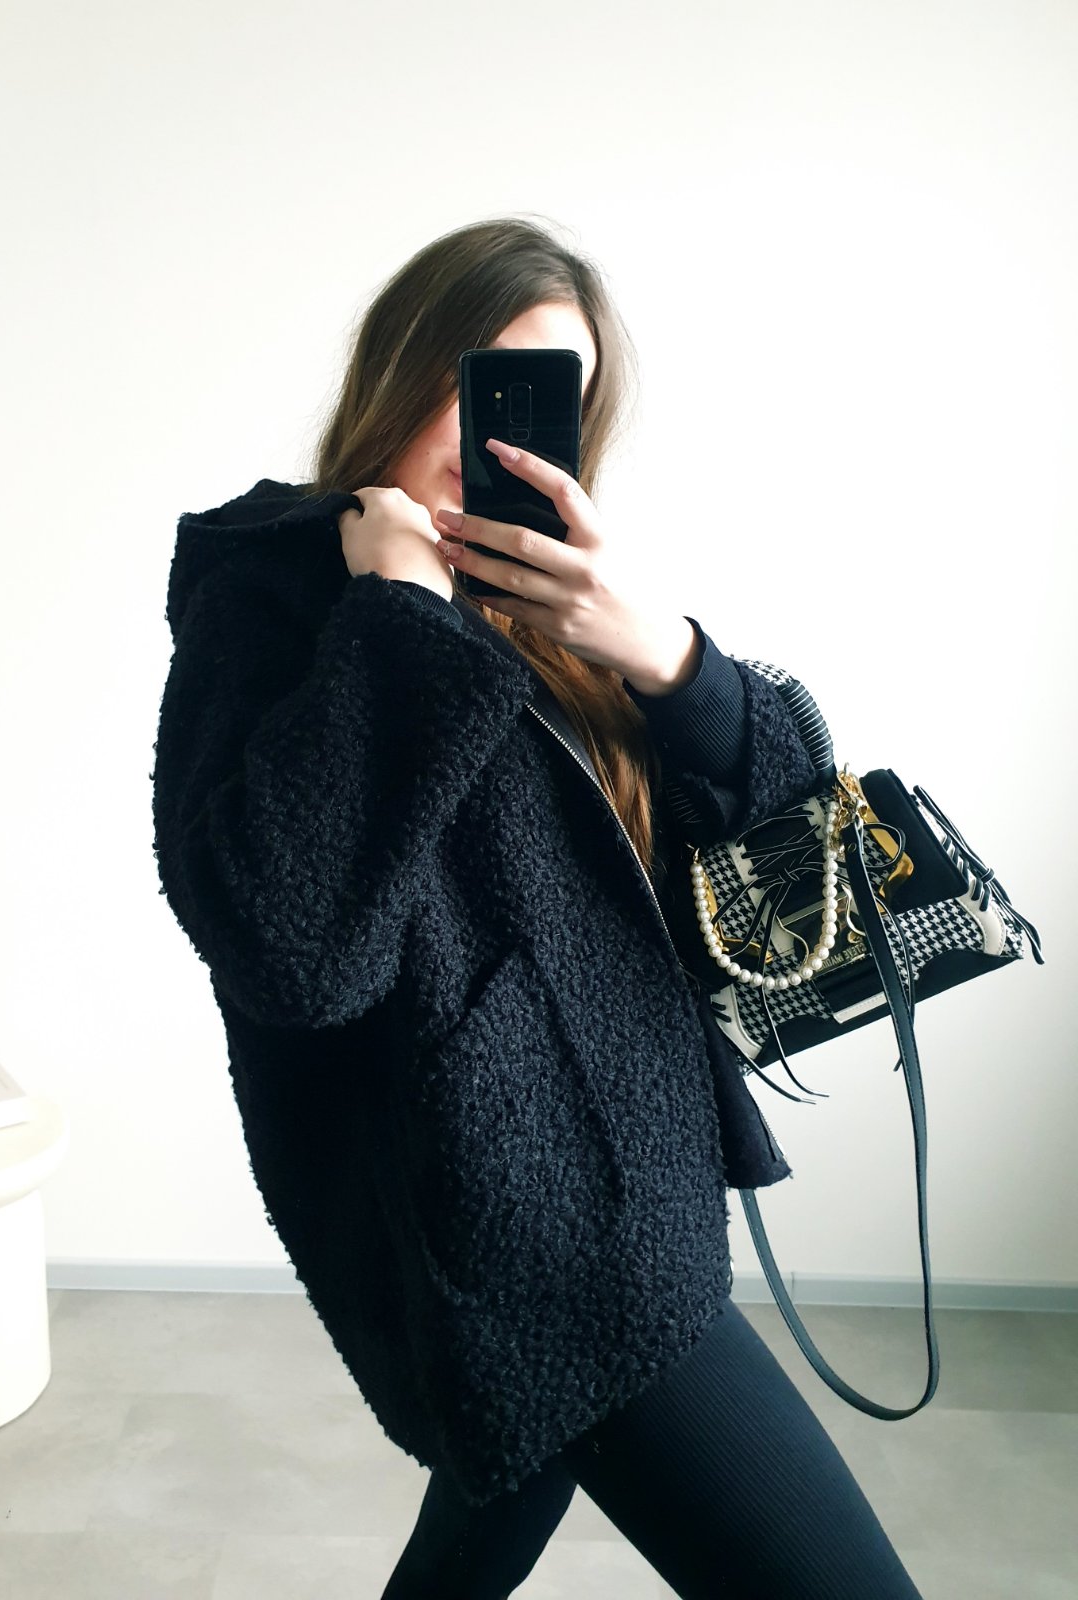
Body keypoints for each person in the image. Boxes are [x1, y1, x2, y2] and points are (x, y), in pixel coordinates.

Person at [151, 216, 924, 1598]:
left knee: (493, 1499)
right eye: (479, 376)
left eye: (545, 395)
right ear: (401, 365)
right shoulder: (271, 588)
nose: (498, 429)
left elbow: (796, 828)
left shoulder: (556, 600)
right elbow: (286, 944)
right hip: (538, 1234)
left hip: (634, 1168)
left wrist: (667, 660)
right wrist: (399, 618)